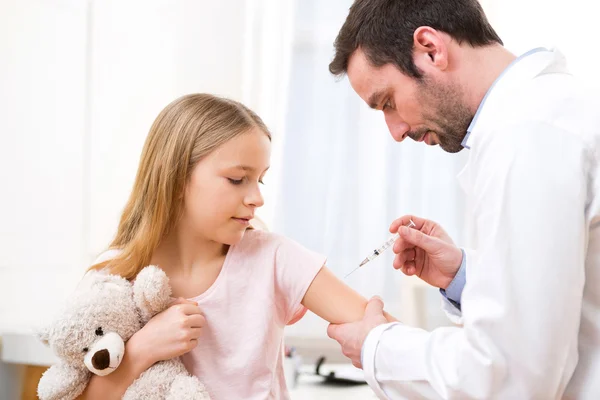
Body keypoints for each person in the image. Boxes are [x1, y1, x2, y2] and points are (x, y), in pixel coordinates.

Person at [325, 0, 600, 399]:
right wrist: (464, 276)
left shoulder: (527, 135)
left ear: (430, 49)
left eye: (387, 102)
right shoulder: (548, 110)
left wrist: (377, 347)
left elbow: (514, 376)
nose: (396, 131)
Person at [79, 93, 394, 400]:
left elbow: (388, 338)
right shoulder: (112, 277)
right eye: (237, 179)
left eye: (260, 180)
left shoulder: (275, 258)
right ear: (175, 179)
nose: (257, 198)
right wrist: (142, 349)